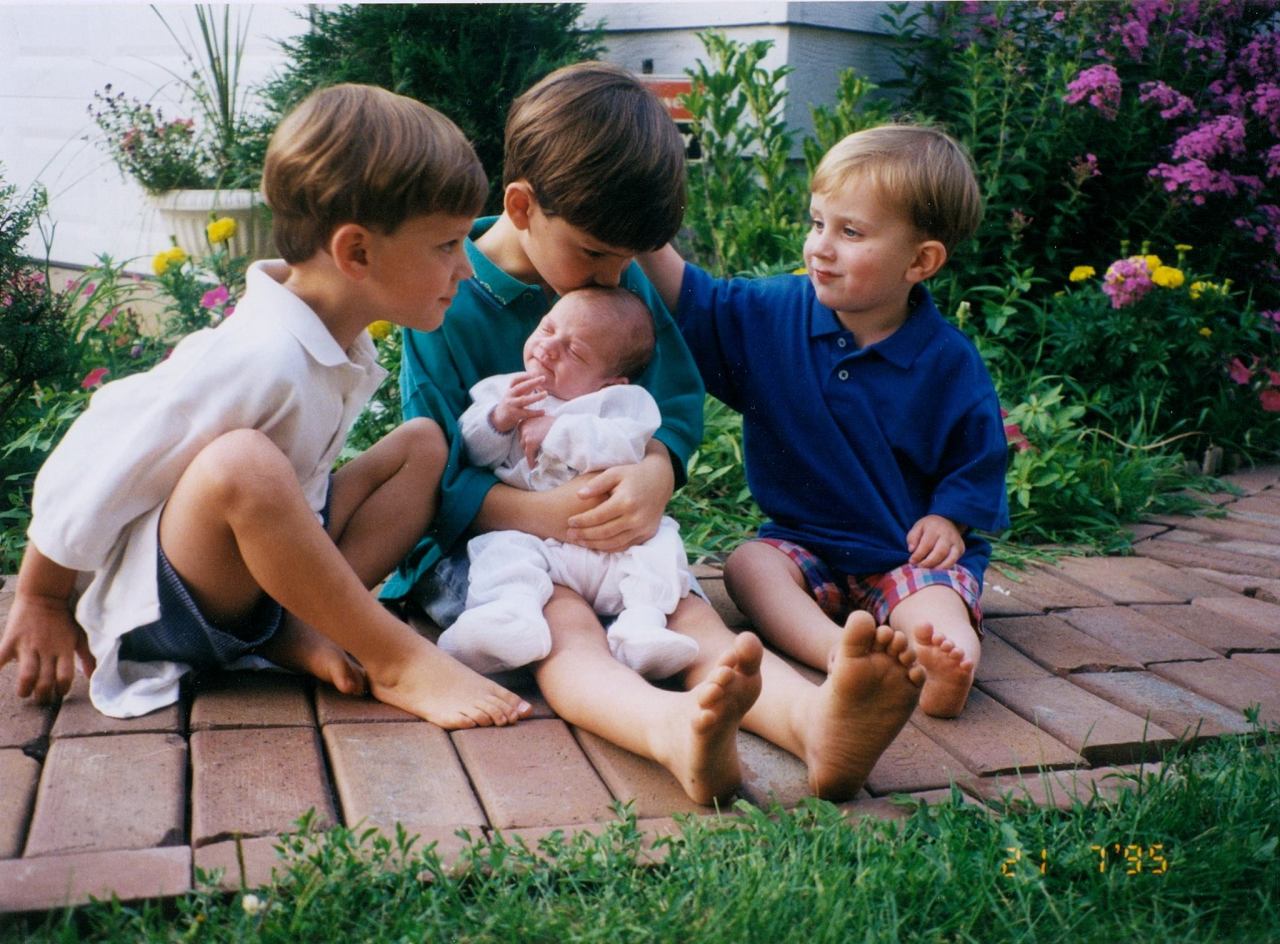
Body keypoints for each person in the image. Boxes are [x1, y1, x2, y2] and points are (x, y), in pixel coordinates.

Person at [385, 61, 925, 806]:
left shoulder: (616, 275)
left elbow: (673, 397)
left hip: (611, 534)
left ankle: (814, 724)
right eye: (597, 253)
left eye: (628, 258)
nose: (613, 277)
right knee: (563, 626)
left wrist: (657, 471)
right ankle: (667, 730)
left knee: (683, 610)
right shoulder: (448, 297)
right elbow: (435, 476)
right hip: (492, 547)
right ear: (521, 205)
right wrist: (547, 515)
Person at [0, 84, 531, 729]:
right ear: (356, 252)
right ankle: (394, 658)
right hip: (177, 607)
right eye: (446, 246)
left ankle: (302, 622)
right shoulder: (256, 355)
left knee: (421, 444)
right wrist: (43, 595)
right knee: (242, 465)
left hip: (259, 583)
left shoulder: (333, 334)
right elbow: (99, 452)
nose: (467, 270)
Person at [641, 124, 1010, 719]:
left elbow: (980, 453)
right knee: (748, 567)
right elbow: (693, 298)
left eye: (850, 232)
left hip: (902, 553)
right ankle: (838, 652)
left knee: (934, 605)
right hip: (805, 545)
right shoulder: (775, 314)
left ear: (921, 260)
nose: (820, 246)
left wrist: (952, 516)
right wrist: (638, 220)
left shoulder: (947, 361)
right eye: (817, 223)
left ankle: (945, 664)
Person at [440, 286, 700, 680]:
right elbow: (472, 452)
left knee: (662, 544)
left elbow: (623, 448)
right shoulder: (504, 391)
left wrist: (557, 430)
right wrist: (498, 420)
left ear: (611, 382)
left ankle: (642, 625)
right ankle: (509, 616)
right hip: (540, 545)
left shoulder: (621, 404)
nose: (548, 348)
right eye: (547, 329)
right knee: (501, 549)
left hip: (613, 549)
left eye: (574, 351)